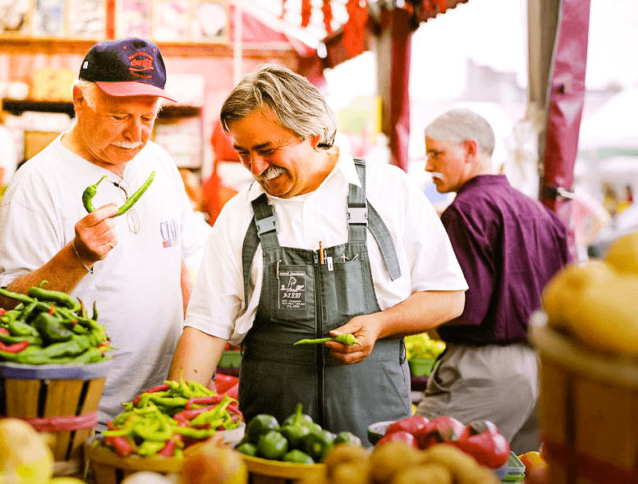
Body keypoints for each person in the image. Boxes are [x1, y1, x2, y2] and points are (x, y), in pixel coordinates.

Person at [168, 64, 468, 442]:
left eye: (267, 149)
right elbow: (205, 327)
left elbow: (448, 297)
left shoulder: (389, 190)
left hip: (375, 433)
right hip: (272, 440)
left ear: (314, 133)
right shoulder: (240, 213)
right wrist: (176, 421)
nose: (256, 168)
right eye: (243, 153)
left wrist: (380, 324)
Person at [0, 38, 208, 426]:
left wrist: (194, 376)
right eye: (119, 116)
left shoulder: (159, 162)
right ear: (79, 100)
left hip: (164, 407)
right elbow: (9, 304)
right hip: (84, 411)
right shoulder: (36, 183)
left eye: (148, 118)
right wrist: (75, 258)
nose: (135, 134)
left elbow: (180, 266)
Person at [416, 108, 571, 454]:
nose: (428, 166)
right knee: (515, 470)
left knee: (424, 464)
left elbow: (463, 308)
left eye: (435, 153)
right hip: (540, 369)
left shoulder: (465, 211)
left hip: (482, 370)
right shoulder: (540, 214)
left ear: (470, 150)